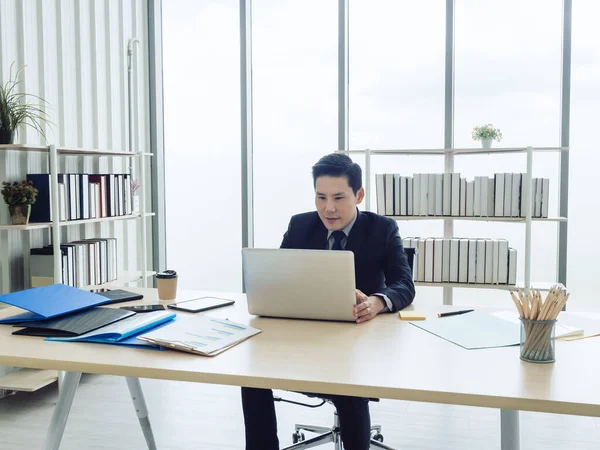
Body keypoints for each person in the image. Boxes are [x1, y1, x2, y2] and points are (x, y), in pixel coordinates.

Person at [241, 153, 415, 450]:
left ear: (358, 195)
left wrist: (376, 301)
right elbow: (279, 275)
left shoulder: (382, 229)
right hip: (304, 337)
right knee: (252, 376)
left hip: (358, 341)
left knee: (348, 382)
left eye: (338, 197)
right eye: (320, 197)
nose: (328, 208)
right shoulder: (300, 225)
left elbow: (404, 284)